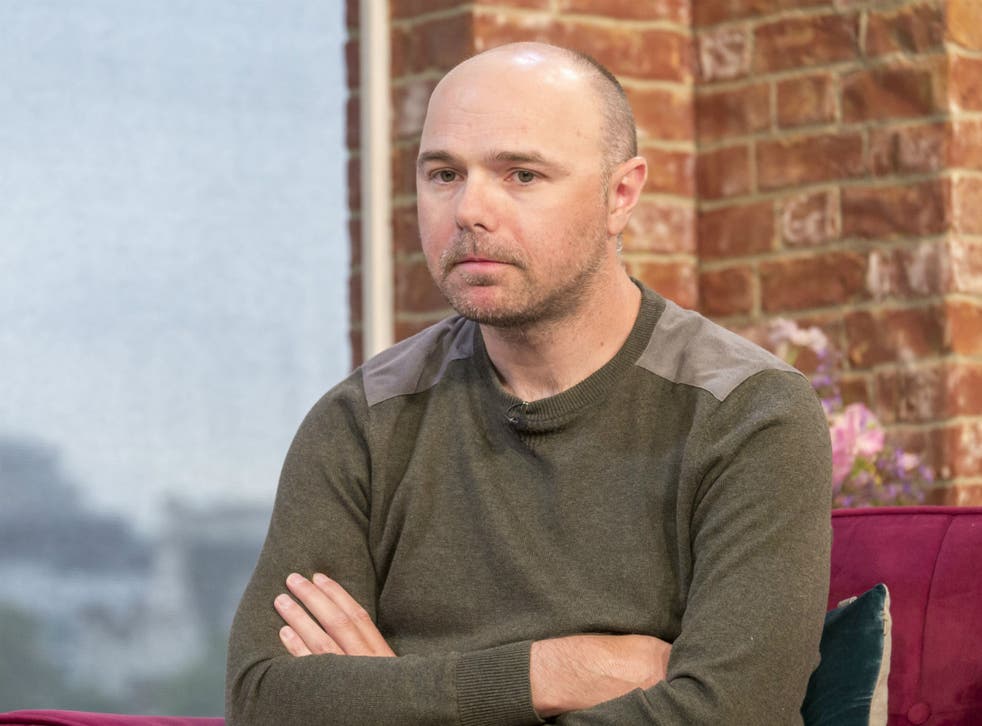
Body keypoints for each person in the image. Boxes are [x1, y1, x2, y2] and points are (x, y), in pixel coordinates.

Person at [226, 42, 832, 725]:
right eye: (444, 174)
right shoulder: (365, 420)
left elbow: (730, 715)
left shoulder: (748, 413)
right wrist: (555, 671)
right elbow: (263, 700)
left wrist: (396, 697)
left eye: (521, 175)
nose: (468, 210)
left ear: (621, 194)